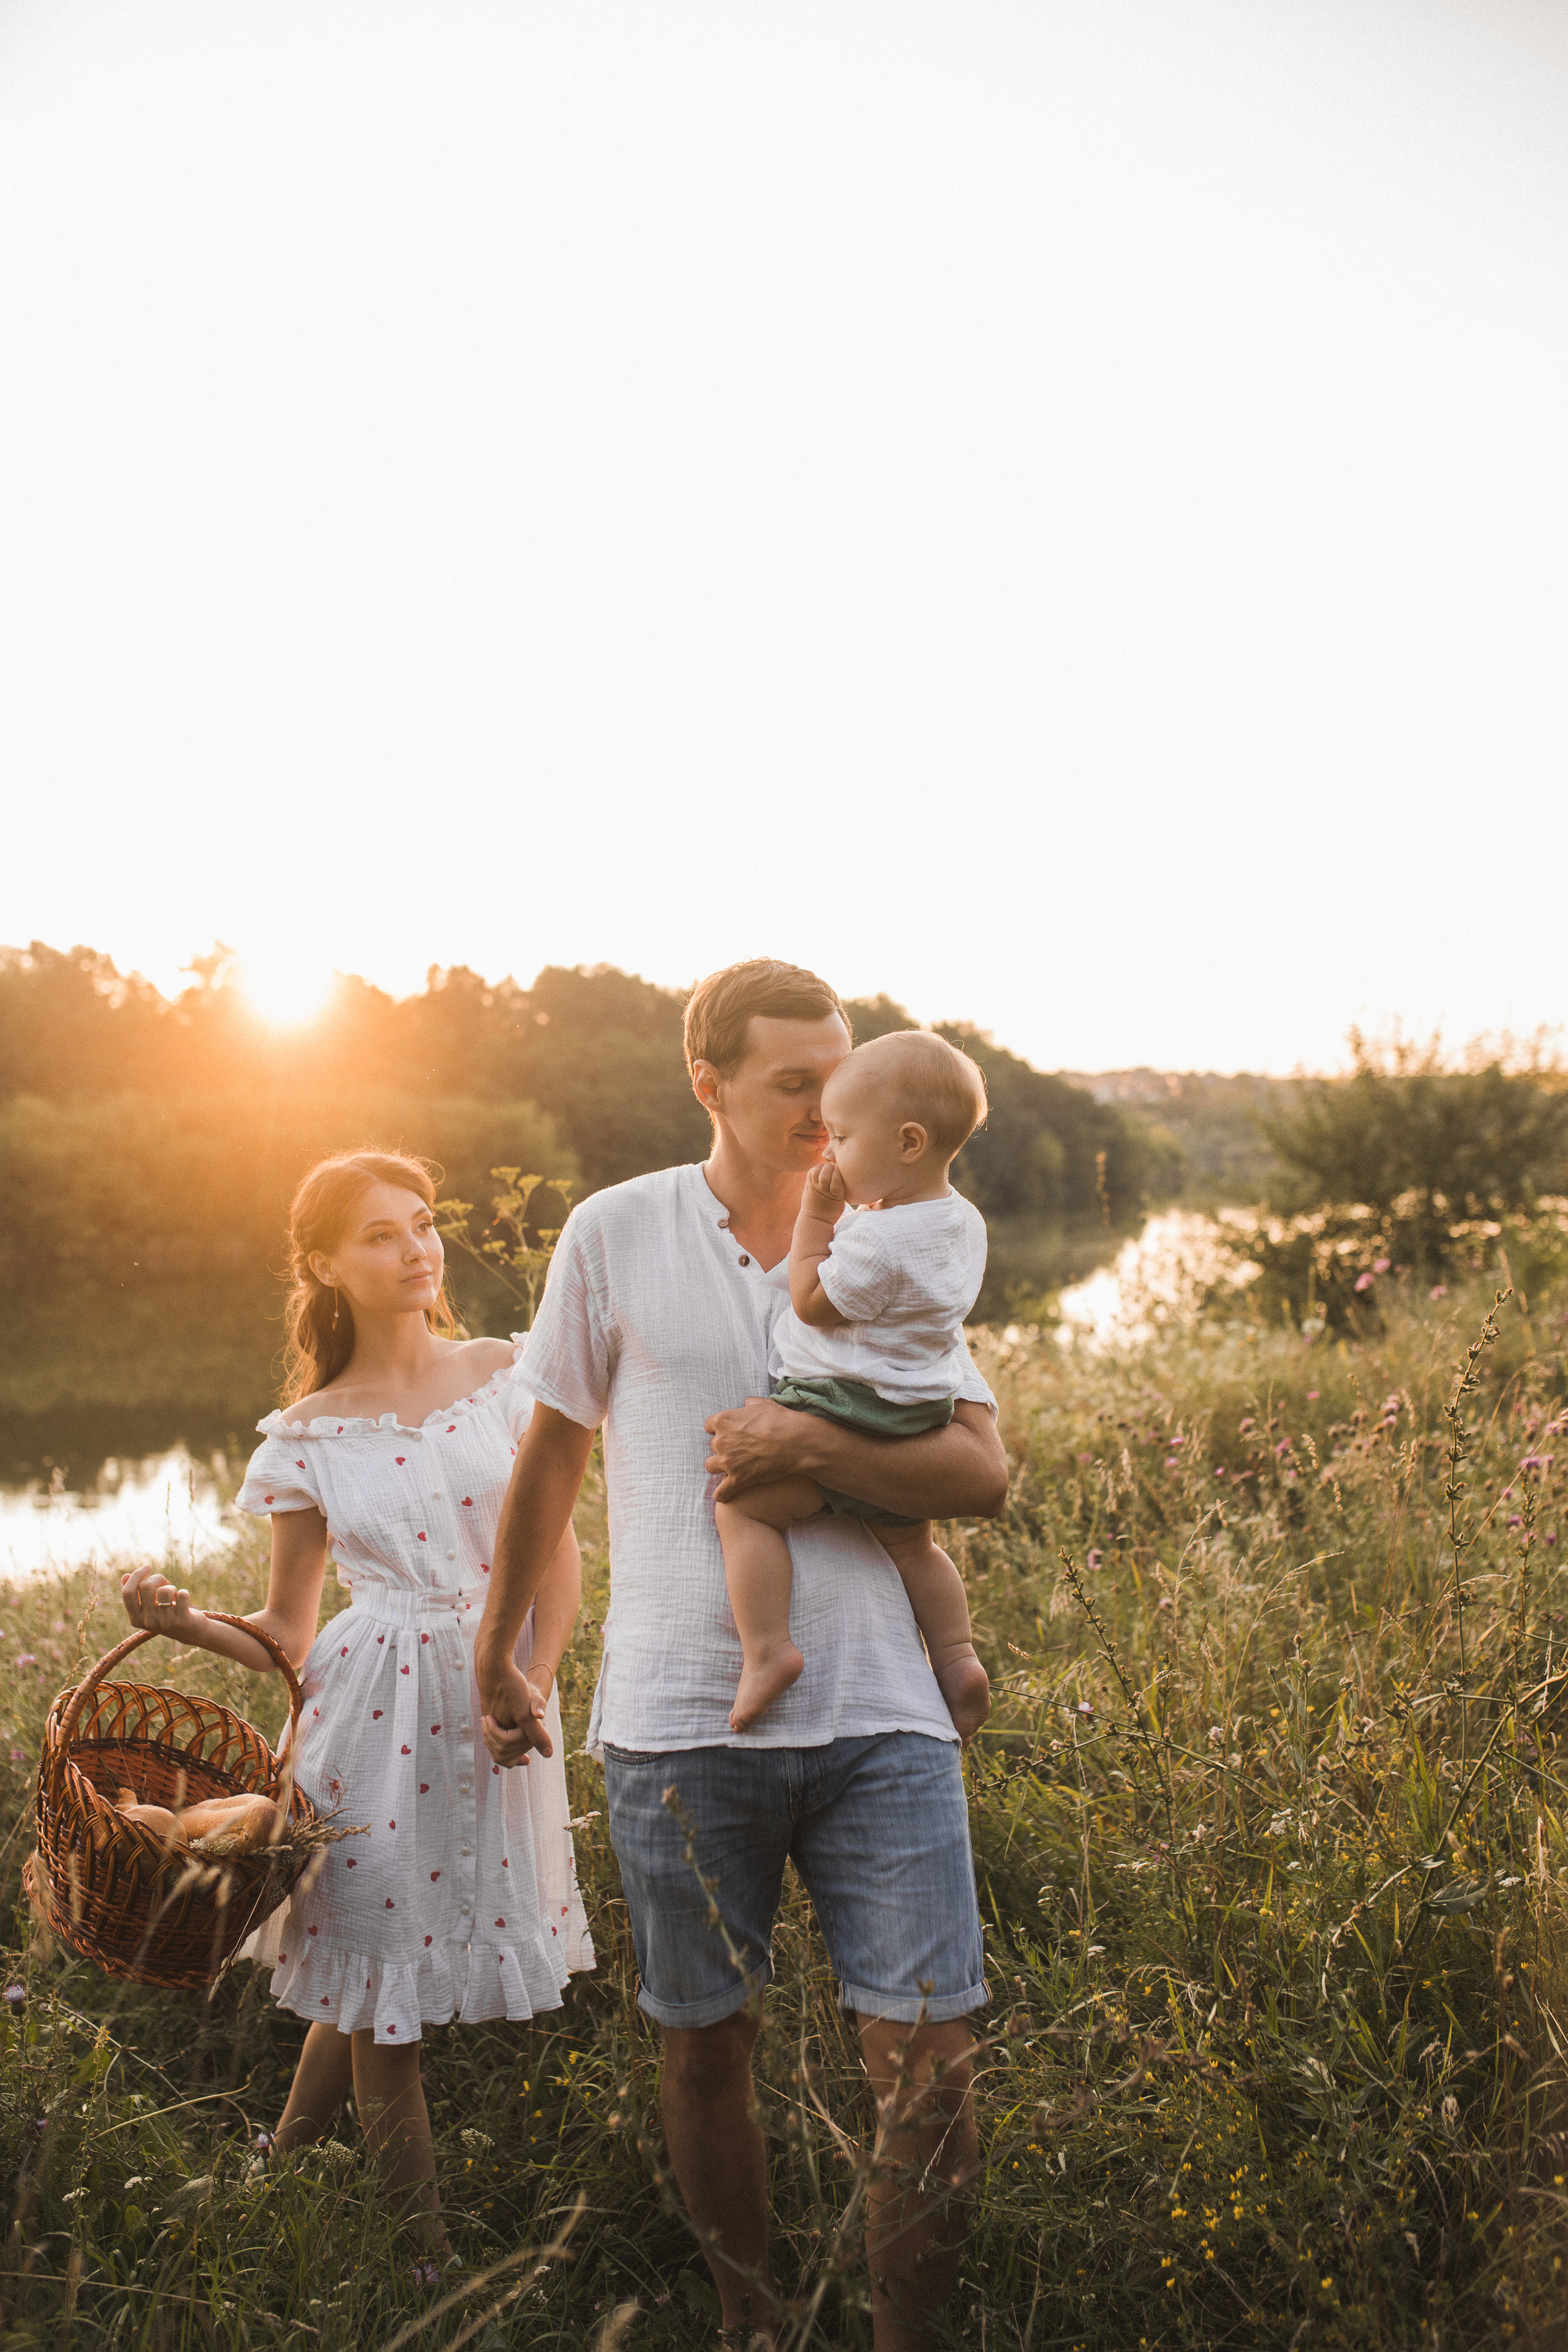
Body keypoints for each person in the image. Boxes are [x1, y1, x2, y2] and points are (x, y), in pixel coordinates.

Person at [473, 962, 1008, 2351]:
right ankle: (749, 2320)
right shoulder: (612, 1229)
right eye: (792, 1085)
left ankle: (905, 2335)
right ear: (705, 1082)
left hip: (883, 1712)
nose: (822, 1111)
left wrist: (807, 1448)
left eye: (835, 1082)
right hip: (674, 1716)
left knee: (932, 2067)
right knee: (707, 2046)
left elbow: (979, 1470)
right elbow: (547, 1461)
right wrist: (501, 1653)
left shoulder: (908, 1237)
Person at [120, 1149, 592, 2266]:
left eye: (422, 1224)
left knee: (380, 1966)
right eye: (382, 1234)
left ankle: (277, 2168)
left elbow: (559, 1548)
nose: (417, 1248)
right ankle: (425, 2265)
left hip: (501, 1697)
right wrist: (187, 1626)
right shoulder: (308, 1435)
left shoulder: (507, 1372)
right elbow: (287, 1632)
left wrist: (534, 1678)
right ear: (325, 1266)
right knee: (383, 1974)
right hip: (370, 1714)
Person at [715, 1028, 992, 1738]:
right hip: (919, 1407)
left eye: (841, 1136)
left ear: (906, 1143)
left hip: (847, 1405)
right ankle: (957, 1656)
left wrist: (817, 1218)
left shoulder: (875, 1237)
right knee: (910, 1545)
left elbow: (811, 1300)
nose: (828, 1152)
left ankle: (768, 1650)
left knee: (743, 1508)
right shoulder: (960, 1222)